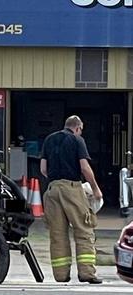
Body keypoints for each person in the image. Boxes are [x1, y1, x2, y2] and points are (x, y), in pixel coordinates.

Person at [40, 115, 103, 284]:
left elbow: (43, 169)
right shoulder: (77, 140)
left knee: (57, 234)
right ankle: (87, 273)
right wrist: (95, 189)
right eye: (81, 130)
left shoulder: (49, 140)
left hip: (52, 189)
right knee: (84, 230)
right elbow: (84, 167)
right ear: (77, 128)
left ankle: (61, 275)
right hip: (72, 188)